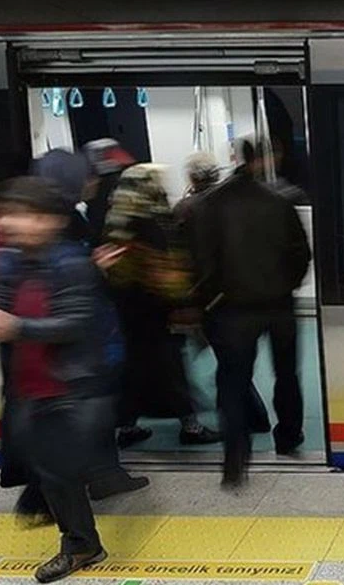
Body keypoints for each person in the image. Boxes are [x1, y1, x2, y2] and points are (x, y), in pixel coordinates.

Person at [0, 177, 112, 582]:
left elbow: (76, 323)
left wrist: (13, 326)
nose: (9, 222)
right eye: (5, 213)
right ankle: (74, 529)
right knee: (44, 466)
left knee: (58, 470)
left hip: (70, 388)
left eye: (22, 215)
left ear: (50, 220)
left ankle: (81, 544)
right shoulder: (4, 263)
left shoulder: (71, 264)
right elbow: (2, 318)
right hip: (27, 386)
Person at [31, 149, 150, 499]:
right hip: (79, 343)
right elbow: (53, 288)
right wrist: (93, 267)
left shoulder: (72, 217)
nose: (95, 181)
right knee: (84, 415)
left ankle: (102, 474)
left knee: (96, 412)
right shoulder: (58, 224)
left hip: (90, 337)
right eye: (88, 175)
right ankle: (81, 483)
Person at [192, 138, 311, 487]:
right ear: (264, 159)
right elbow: (301, 254)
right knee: (286, 374)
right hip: (279, 305)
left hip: (232, 309)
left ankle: (235, 458)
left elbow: (201, 261)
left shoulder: (208, 204)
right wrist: (287, 285)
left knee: (232, 382)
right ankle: (288, 437)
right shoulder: (281, 201)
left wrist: (212, 300)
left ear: (236, 158)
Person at [102, 163, 221, 446]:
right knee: (172, 370)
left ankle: (127, 427)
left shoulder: (115, 222)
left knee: (134, 372)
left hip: (127, 312)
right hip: (157, 312)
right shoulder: (151, 223)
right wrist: (185, 301)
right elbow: (166, 272)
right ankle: (191, 428)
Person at [174, 152, 274, 436]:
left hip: (205, 295)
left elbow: (181, 253)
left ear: (192, 177)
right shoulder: (231, 204)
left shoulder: (185, 209)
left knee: (225, 359)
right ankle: (249, 415)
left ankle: (245, 417)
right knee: (233, 356)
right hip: (236, 291)